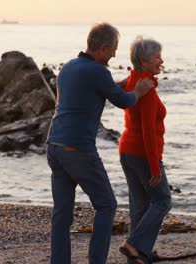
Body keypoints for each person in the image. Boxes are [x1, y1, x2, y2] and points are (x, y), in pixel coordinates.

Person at [46, 23, 154, 264]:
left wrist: (126, 83)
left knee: (62, 214)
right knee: (107, 205)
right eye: (114, 49)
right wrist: (139, 91)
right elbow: (124, 102)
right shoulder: (97, 72)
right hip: (78, 149)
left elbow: (101, 90)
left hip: (54, 146)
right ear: (103, 47)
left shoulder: (70, 67)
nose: (115, 54)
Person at [118, 36, 172, 264]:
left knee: (140, 205)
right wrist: (154, 167)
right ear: (144, 60)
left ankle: (139, 256)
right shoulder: (146, 88)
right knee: (162, 201)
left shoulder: (133, 80)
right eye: (157, 57)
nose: (161, 61)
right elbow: (149, 132)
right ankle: (135, 244)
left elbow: (116, 89)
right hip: (141, 153)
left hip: (126, 150)